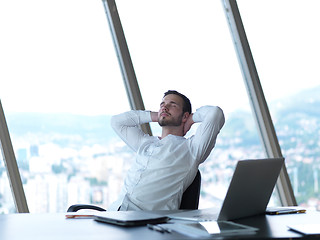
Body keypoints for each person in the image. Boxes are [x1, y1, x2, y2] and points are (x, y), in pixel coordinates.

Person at [108, 90, 225, 211]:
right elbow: (116, 122)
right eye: (162, 105)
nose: (165, 107)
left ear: (185, 115)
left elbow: (215, 114)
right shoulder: (145, 143)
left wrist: (191, 119)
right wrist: (157, 116)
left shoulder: (191, 149)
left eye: (172, 105)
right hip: (113, 214)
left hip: (144, 222)